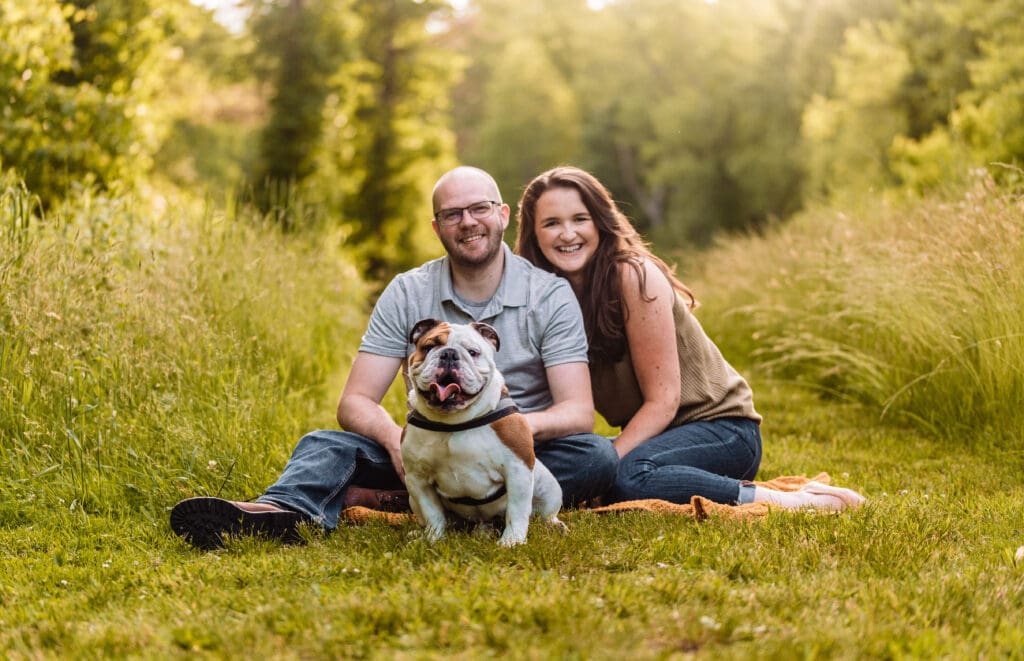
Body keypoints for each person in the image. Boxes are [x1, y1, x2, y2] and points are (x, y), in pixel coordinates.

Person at [170, 166, 619, 550]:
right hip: (426, 446)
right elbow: (355, 402)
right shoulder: (407, 291)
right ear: (437, 227)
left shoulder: (549, 294)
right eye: (452, 214)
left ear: (501, 215)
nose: (468, 222)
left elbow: (578, 412)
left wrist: (503, 431)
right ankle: (281, 512)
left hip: (512, 460)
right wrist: (395, 441)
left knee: (595, 455)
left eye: (479, 208)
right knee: (325, 444)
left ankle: (381, 498)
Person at [514, 166, 865, 511]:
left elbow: (664, 401)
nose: (567, 233)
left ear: (600, 222)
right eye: (551, 223)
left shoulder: (632, 276)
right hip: (660, 438)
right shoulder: (551, 300)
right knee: (579, 463)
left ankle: (790, 501)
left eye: (580, 219)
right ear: (534, 234)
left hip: (722, 430)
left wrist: (609, 463)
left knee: (624, 477)